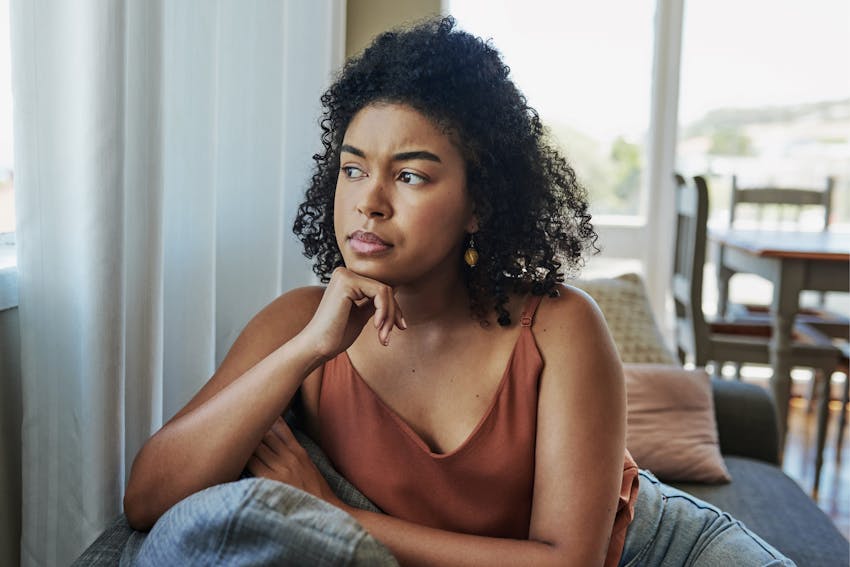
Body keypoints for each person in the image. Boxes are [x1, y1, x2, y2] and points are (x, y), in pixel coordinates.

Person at [124, 16, 795, 567]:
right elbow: (148, 498)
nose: (370, 203)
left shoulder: (560, 326)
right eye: (353, 169)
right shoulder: (301, 324)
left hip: (660, 552)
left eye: (410, 176)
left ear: (480, 202)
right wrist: (307, 350)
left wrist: (334, 515)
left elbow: (567, 563)